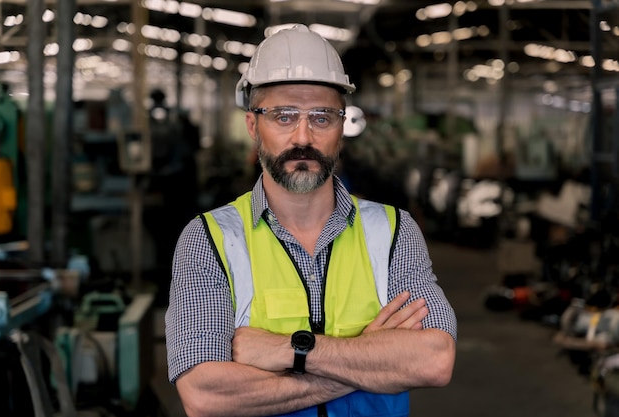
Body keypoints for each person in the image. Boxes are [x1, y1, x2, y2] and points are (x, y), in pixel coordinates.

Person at [165, 24, 457, 417]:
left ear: (341, 129)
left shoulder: (393, 231)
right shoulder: (210, 239)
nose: (303, 137)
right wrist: (369, 359)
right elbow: (204, 396)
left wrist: (290, 349)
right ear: (253, 126)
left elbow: (434, 360)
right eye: (283, 116)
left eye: (321, 117)